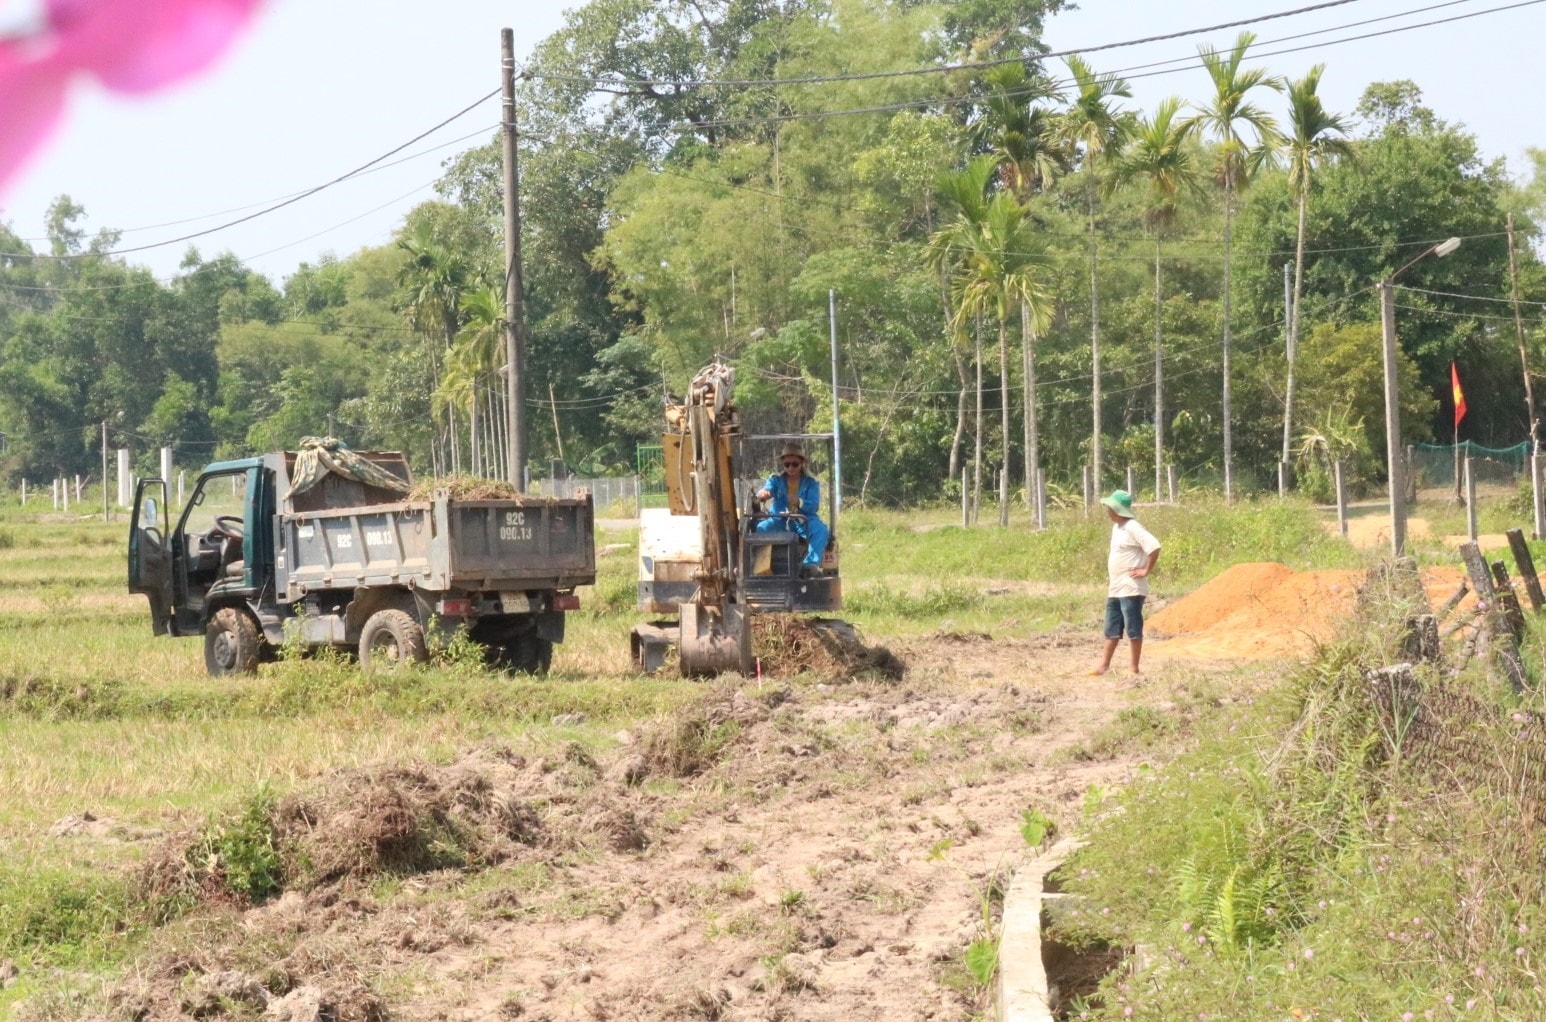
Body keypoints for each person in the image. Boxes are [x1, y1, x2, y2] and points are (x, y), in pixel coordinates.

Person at [1091, 489, 1161, 677]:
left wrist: (1145, 570)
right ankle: (1104, 665)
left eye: (1110, 507)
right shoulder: (1117, 528)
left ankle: (1133, 668)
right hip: (1115, 588)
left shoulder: (1133, 527)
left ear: (1118, 509)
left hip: (1131, 588)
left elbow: (1154, 547)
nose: (1107, 511)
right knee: (1111, 628)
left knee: (1133, 628)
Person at [755, 441, 829, 579]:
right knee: (762, 528)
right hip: (780, 519)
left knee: (821, 530)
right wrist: (763, 493)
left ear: (802, 463)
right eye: (787, 464)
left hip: (803, 520)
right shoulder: (776, 480)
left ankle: (809, 566)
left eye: (795, 464)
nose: (791, 468)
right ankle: (762, 567)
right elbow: (767, 490)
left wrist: (799, 502)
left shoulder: (811, 483)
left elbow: (814, 505)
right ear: (782, 464)